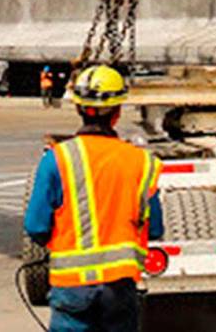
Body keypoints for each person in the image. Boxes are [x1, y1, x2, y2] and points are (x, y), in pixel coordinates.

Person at [24, 65, 164, 332]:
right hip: (119, 287)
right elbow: (155, 229)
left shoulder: (58, 159)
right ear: (117, 112)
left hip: (71, 286)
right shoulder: (140, 162)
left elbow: (36, 226)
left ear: (78, 108)